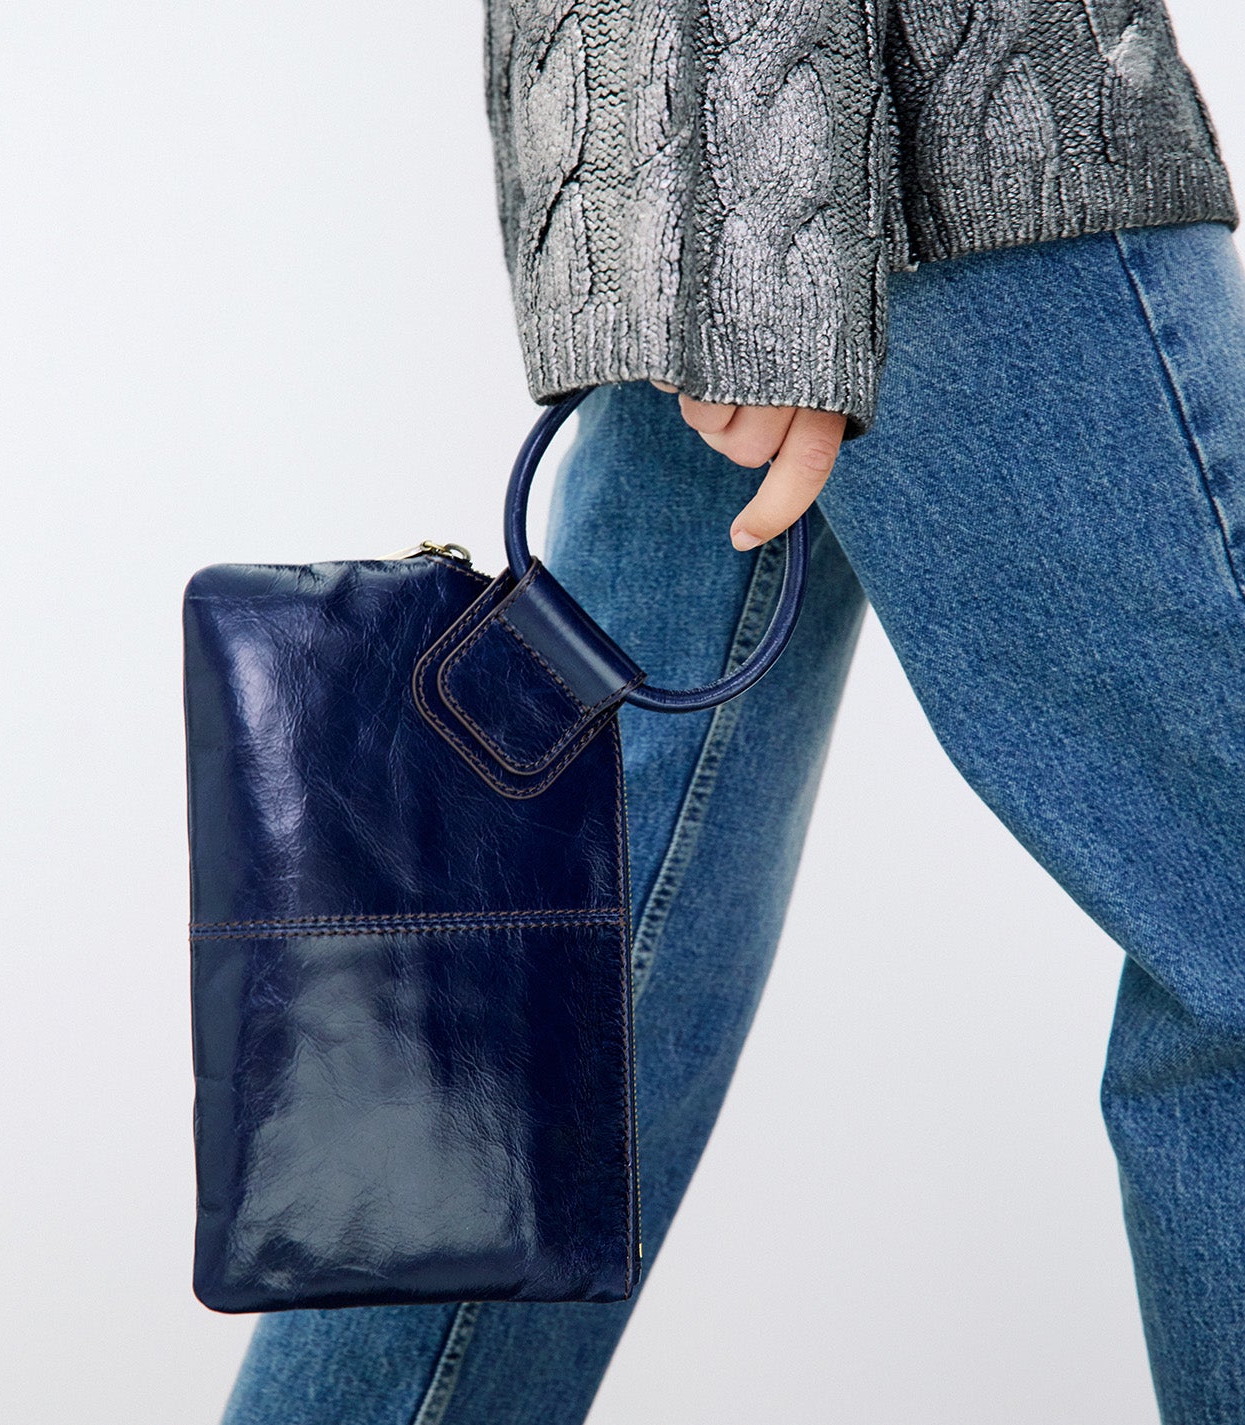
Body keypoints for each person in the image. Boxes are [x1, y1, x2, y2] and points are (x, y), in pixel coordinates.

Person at [221, 4, 1244, 1422]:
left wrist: (736, 227)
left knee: (576, 960)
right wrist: (763, 248)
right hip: (920, 133)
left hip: (740, 132)